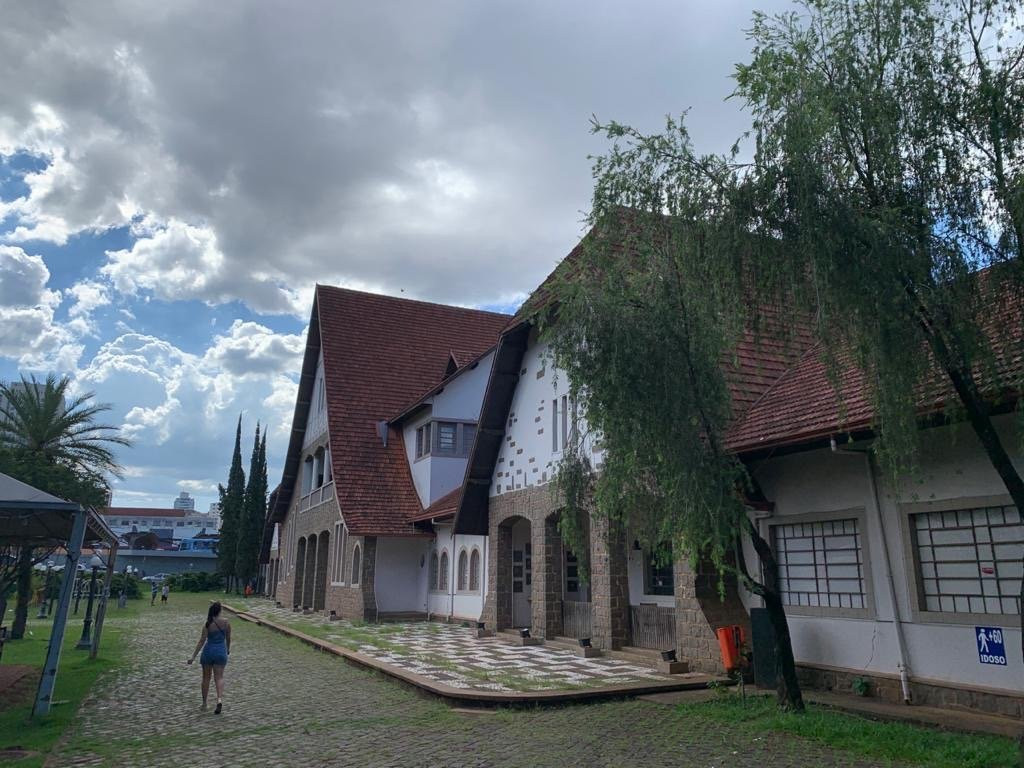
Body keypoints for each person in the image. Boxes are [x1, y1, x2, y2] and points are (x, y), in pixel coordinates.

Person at [187, 601, 231, 713]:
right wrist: (228, 649)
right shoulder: (226, 623)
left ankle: (204, 703)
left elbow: (202, 641)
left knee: (206, 678)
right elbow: (228, 638)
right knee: (219, 677)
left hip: (208, 652)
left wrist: (193, 657)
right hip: (221, 652)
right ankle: (219, 700)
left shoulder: (208, 624)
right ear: (220, 611)